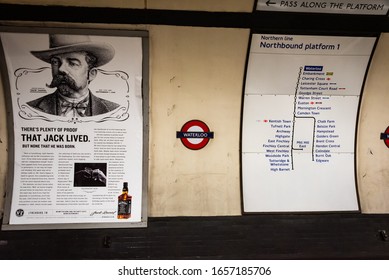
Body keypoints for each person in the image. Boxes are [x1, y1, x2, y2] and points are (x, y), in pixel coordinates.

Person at [27, 34, 120, 117]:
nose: (61, 69)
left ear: (91, 74)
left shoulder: (113, 111)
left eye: (72, 63)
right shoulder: (30, 109)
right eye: (55, 62)